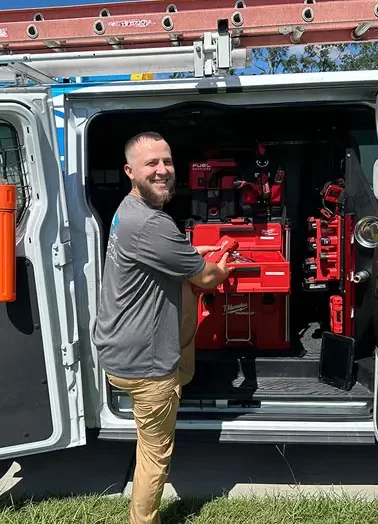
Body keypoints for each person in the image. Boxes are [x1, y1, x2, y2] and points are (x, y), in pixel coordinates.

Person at [92, 131, 232, 524]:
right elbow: (205, 278)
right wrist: (220, 269)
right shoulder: (151, 224)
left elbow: (167, 255)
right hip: (146, 364)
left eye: (167, 162)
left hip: (123, 349)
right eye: (151, 163)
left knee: (172, 386)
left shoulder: (128, 210)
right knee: (154, 454)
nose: (162, 170)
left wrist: (190, 253)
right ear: (129, 171)